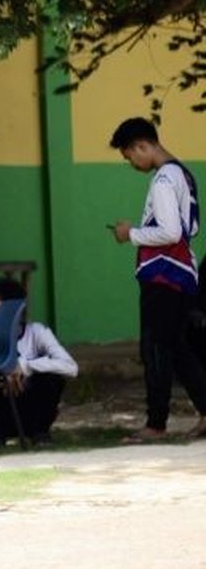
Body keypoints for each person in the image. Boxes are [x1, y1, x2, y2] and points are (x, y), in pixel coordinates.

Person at [109, 116, 206, 442]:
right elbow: (188, 230)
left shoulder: (164, 180)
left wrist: (130, 234)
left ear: (142, 146)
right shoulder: (183, 174)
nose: (132, 163)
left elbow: (170, 231)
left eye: (129, 156)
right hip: (182, 274)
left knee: (155, 349)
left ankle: (155, 424)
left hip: (163, 274)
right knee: (177, 349)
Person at [0, 277, 78, 446]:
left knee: (51, 378)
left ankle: (39, 433)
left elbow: (70, 367)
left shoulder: (37, 332)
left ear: (16, 311)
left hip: (32, 408)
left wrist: (25, 367)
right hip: (1, 408)